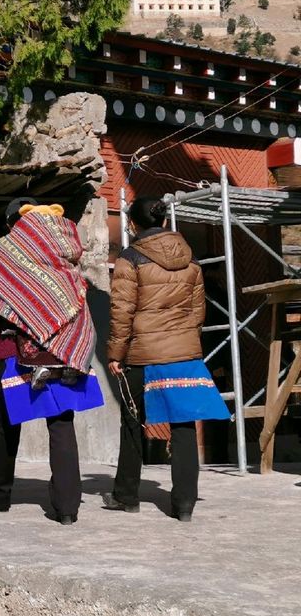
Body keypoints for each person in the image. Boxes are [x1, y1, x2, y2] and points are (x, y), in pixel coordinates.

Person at [0, 198, 103, 525]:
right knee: (61, 426)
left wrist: (18, 314)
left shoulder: (6, 256)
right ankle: (67, 508)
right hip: (62, 351)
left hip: (15, 354)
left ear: (11, 224)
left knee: (6, 425)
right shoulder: (65, 255)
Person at [104, 196, 229, 522]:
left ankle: (126, 496)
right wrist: (186, 340)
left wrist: (115, 353)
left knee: (132, 422)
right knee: (184, 425)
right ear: (162, 221)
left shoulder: (130, 259)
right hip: (184, 352)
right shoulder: (191, 259)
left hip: (142, 354)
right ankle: (184, 505)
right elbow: (198, 312)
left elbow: (121, 312)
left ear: (133, 224)